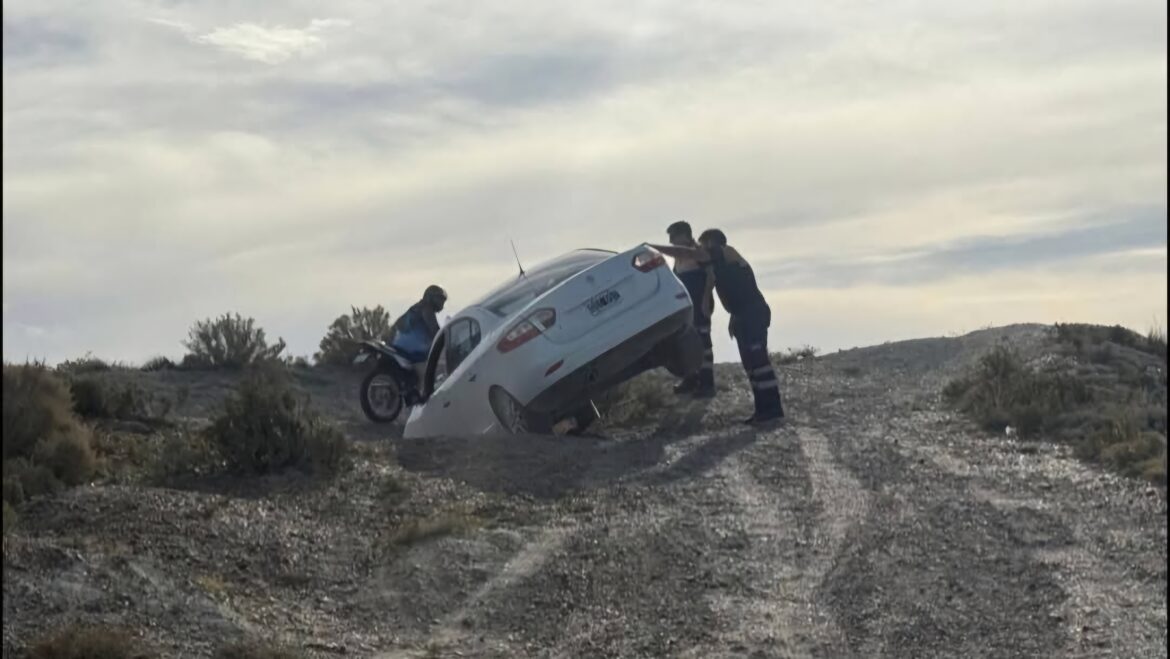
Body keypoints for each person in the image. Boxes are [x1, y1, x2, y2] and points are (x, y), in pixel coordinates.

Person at [648, 229, 785, 425]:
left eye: (703, 245)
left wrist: (655, 249)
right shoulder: (719, 266)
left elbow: (689, 254)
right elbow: (719, 288)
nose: (701, 249)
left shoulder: (726, 251)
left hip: (752, 314)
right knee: (750, 366)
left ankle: (772, 409)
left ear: (712, 243)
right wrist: (732, 318)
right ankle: (763, 410)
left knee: (759, 362)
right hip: (741, 316)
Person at [665, 221, 716, 398]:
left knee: (703, 343)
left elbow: (711, 276)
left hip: (700, 304)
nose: (671, 241)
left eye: (673, 237)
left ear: (684, 235)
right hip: (686, 308)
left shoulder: (698, 252)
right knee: (687, 343)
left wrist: (705, 300)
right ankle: (691, 380)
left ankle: (707, 384)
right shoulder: (678, 258)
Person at [387, 285, 447, 382]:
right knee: (437, 370)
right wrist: (447, 338)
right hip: (412, 350)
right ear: (430, 297)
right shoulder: (426, 309)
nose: (441, 303)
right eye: (439, 299)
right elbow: (435, 329)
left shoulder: (416, 308)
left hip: (401, 346)